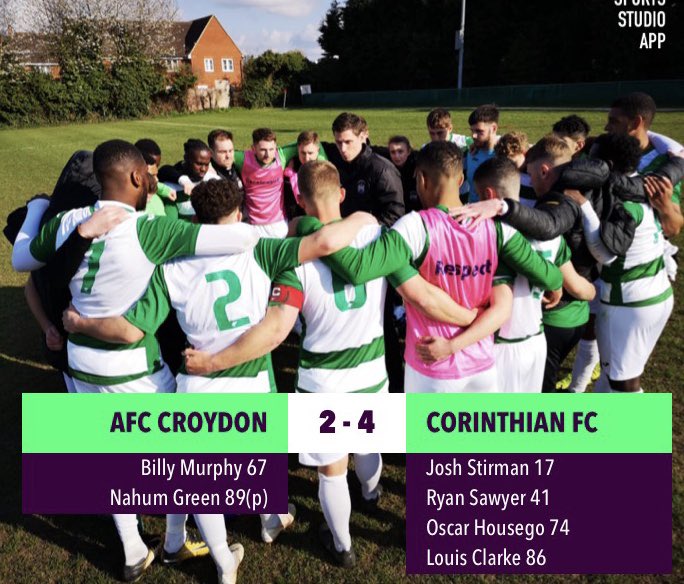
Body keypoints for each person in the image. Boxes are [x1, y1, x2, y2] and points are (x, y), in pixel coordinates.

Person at [61, 175, 379, 578]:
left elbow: (130, 330)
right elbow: (323, 244)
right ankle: (270, 519)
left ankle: (225, 563)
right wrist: (362, 218)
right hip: (252, 377)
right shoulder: (261, 248)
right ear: (240, 214)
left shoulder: (171, 266)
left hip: (198, 380)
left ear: (197, 220)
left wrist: (80, 322)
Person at [181, 161, 476, 565]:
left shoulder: (295, 253)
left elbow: (277, 329)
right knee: (369, 440)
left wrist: (214, 361)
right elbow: (421, 295)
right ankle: (370, 493)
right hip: (371, 369)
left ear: (299, 199)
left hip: (322, 378)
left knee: (332, 468)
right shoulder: (377, 235)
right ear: (341, 194)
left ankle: (343, 545)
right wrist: (469, 320)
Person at [11, 139, 269, 581]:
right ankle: (200, 551)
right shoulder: (149, 228)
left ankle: (139, 547)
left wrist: (36, 208)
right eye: (147, 175)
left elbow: (21, 258)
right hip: (130, 364)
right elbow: (241, 235)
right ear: (136, 177)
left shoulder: (70, 221)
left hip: (79, 362)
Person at [298, 142, 564, 393]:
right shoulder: (498, 228)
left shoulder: (415, 227)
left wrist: (311, 225)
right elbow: (550, 276)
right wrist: (556, 286)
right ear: (461, 180)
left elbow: (358, 269)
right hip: (482, 366)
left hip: (432, 367)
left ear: (421, 180)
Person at [474, 157, 595, 392]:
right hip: (535, 341)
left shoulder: (487, 236)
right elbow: (577, 286)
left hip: (498, 344)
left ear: (488, 195)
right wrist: (591, 291)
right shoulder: (549, 234)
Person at [571, 133, 675, 393]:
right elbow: (678, 155)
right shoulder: (646, 184)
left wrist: (583, 206)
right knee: (612, 374)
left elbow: (604, 253)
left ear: (606, 165)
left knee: (624, 383)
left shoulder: (623, 203)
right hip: (657, 294)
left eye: (593, 160)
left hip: (629, 303)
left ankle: (639, 423)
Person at [605, 91, 683, 236]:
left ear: (636, 123)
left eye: (614, 121)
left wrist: (665, 207)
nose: (606, 127)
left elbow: (673, 229)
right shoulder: (602, 148)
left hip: (642, 244)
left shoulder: (664, 164)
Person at [322, 112, 405, 228]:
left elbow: (395, 216)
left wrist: (361, 232)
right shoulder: (335, 163)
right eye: (338, 142)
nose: (343, 149)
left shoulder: (382, 170)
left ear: (362, 137)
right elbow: (307, 143)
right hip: (341, 233)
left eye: (348, 142)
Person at [232, 128, 300, 237]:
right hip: (253, 224)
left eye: (271, 149)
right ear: (253, 148)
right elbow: (221, 152)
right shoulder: (243, 159)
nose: (268, 154)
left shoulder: (281, 156)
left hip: (279, 224)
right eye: (263, 150)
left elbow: (307, 143)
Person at [158, 139, 219, 220]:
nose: (203, 169)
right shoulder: (171, 188)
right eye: (199, 164)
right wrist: (183, 180)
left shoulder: (215, 181)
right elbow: (171, 223)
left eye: (207, 164)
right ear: (186, 158)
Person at [283, 130, 326, 218]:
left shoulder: (323, 169)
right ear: (298, 149)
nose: (306, 158)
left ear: (318, 150)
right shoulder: (292, 166)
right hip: (294, 216)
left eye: (310, 153)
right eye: (303, 153)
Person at [464, 104, 500, 203]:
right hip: (472, 210)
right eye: (472, 131)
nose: (474, 136)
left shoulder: (505, 154)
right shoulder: (471, 152)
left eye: (479, 131)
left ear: (493, 128)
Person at [135, 138, 178, 219]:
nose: (157, 179)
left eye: (157, 165)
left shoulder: (155, 189)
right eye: (152, 175)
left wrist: (166, 190)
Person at [494, 131, 535, 207]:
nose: (510, 167)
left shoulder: (535, 171)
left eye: (513, 162)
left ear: (523, 152)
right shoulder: (507, 171)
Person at [207, 129, 245, 196]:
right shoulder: (209, 175)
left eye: (230, 151)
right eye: (222, 152)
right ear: (211, 153)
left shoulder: (237, 166)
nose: (228, 156)